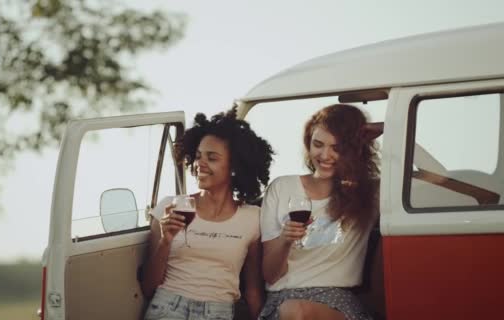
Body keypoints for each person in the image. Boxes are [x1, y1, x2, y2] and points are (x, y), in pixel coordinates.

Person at [141, 108, 274, 320]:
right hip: (167, 306)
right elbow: (149, 287)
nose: (199, 164)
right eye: (197, 156)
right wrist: (165, 241)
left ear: (234, 167)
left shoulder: (252, 219)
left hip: (219, 312)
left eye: (211, 158)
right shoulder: (170, 208)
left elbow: (253, 291)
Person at [259, 104, 380, 320]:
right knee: (292, 310)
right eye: (318, 144)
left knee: (296, 312)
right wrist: (285, 240)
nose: (325, 155)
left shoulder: (368, 193)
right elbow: (271, 274)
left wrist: (384, 128)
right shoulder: (282, 188)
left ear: (354, 149)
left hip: (336, 301)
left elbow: (438, 181)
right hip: (283, 302)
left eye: (338, 147)